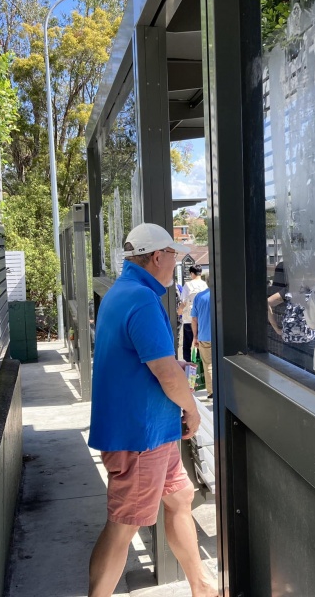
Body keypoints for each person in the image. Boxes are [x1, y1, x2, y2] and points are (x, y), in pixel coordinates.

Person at [87, 223, 217, 597]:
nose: (176, 262)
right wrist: (192, 410)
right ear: (158, 256)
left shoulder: (121, 292)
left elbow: (145, 361)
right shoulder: (143, 300)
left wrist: (174, 370)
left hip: (148, 430)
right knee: (124, 525)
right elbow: (165, 373)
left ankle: (201, 587)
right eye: (173, 255)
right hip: (141, 435)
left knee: (180, 497)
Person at [179, 265, 207, 362]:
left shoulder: (188, 285)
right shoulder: (205, 285)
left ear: (191, 273)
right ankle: (200, 364)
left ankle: (188, 365)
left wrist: (179, 311)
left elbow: (183, 302)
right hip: (202, 319)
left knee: (187, 344)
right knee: (200, 343)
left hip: (189, 319)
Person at [191, 275, 213, 399]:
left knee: (208, 364)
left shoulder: (199, 297)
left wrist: (195, 336)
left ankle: (212, 391)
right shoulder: (222, 295)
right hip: (222, 337)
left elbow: (194, 319)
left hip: (204, 336)